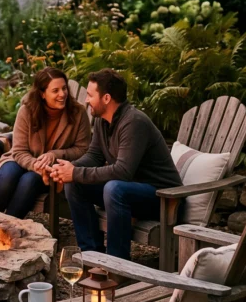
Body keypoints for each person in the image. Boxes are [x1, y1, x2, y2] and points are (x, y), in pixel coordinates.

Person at [49, 68, 181, 261]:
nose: (86, 100)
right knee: (75, 183)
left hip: (162, 198)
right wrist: (66, 169)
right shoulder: (103, 120)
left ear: (107, 98)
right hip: (130, 192)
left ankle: (116, 265)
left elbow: (123, 171)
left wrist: (76, 172)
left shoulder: (134, 122)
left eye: (90, 95)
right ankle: (91, 256)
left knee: (114, 188)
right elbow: (94, 156)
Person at [0, 67, 91, 218]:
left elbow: (82, 149)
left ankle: (8, 228)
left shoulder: (78, 113)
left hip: (51, 170)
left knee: (30, 180)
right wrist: (34, 164)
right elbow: (19, 151)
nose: (62, 94)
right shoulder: (27, 111)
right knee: (8, 176)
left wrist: (54, 154)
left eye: (64, 88)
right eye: (55, 91)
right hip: (20, 159)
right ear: (42, 94)